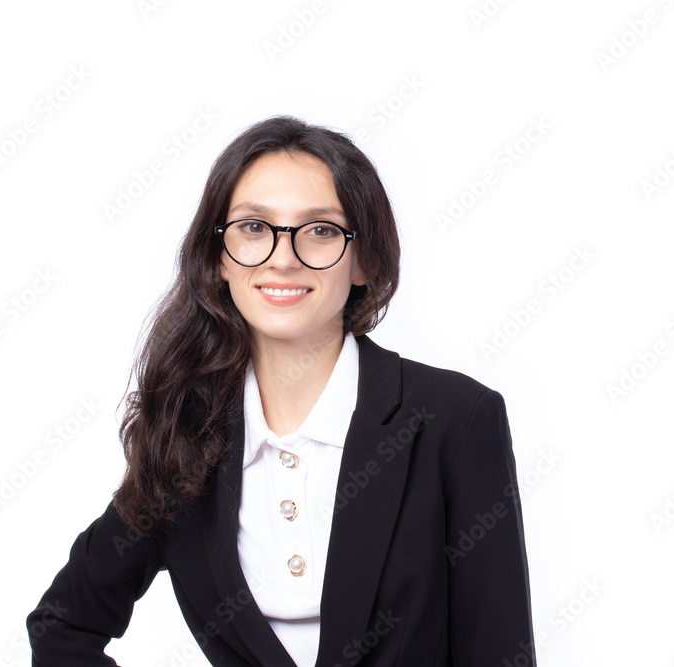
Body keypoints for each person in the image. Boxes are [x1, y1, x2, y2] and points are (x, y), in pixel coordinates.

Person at [26, 115, 536, 666]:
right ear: (219, 256)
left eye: (320, 230)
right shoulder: (185, 433)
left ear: (364, 259)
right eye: (253, 227)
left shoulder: (455, 419)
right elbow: (63, 625)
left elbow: (499, 654)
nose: (282, 257)